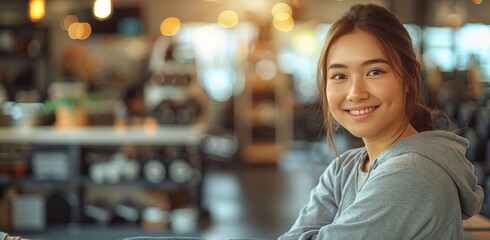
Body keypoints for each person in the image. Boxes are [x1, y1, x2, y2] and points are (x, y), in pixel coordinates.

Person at [278, 3, 483, 240]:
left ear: (410, 77)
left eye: (374, 72)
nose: (355, 92)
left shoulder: (412, 176)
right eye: (339, 76)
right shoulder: (343, 169)